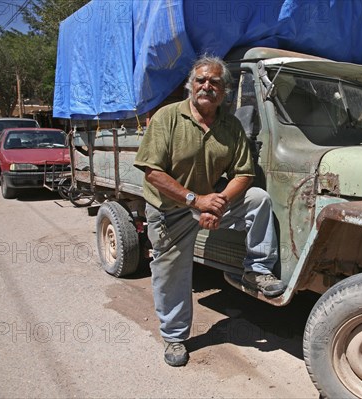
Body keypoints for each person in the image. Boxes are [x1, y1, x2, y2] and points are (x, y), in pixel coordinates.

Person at [134, 55, 286, 367]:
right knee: (171, 275)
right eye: (201, 80)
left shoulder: (230, 125)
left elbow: (244, 173)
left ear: (225, 91)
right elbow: (152, 172)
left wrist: (218, 204)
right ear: (191, 85)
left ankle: (256, 269)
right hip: (170, 210)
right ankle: (175, 337)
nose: (207, 86)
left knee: (257, 198)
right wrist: (196, 201)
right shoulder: (167, 117)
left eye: (214, 82)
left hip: (208, 202)